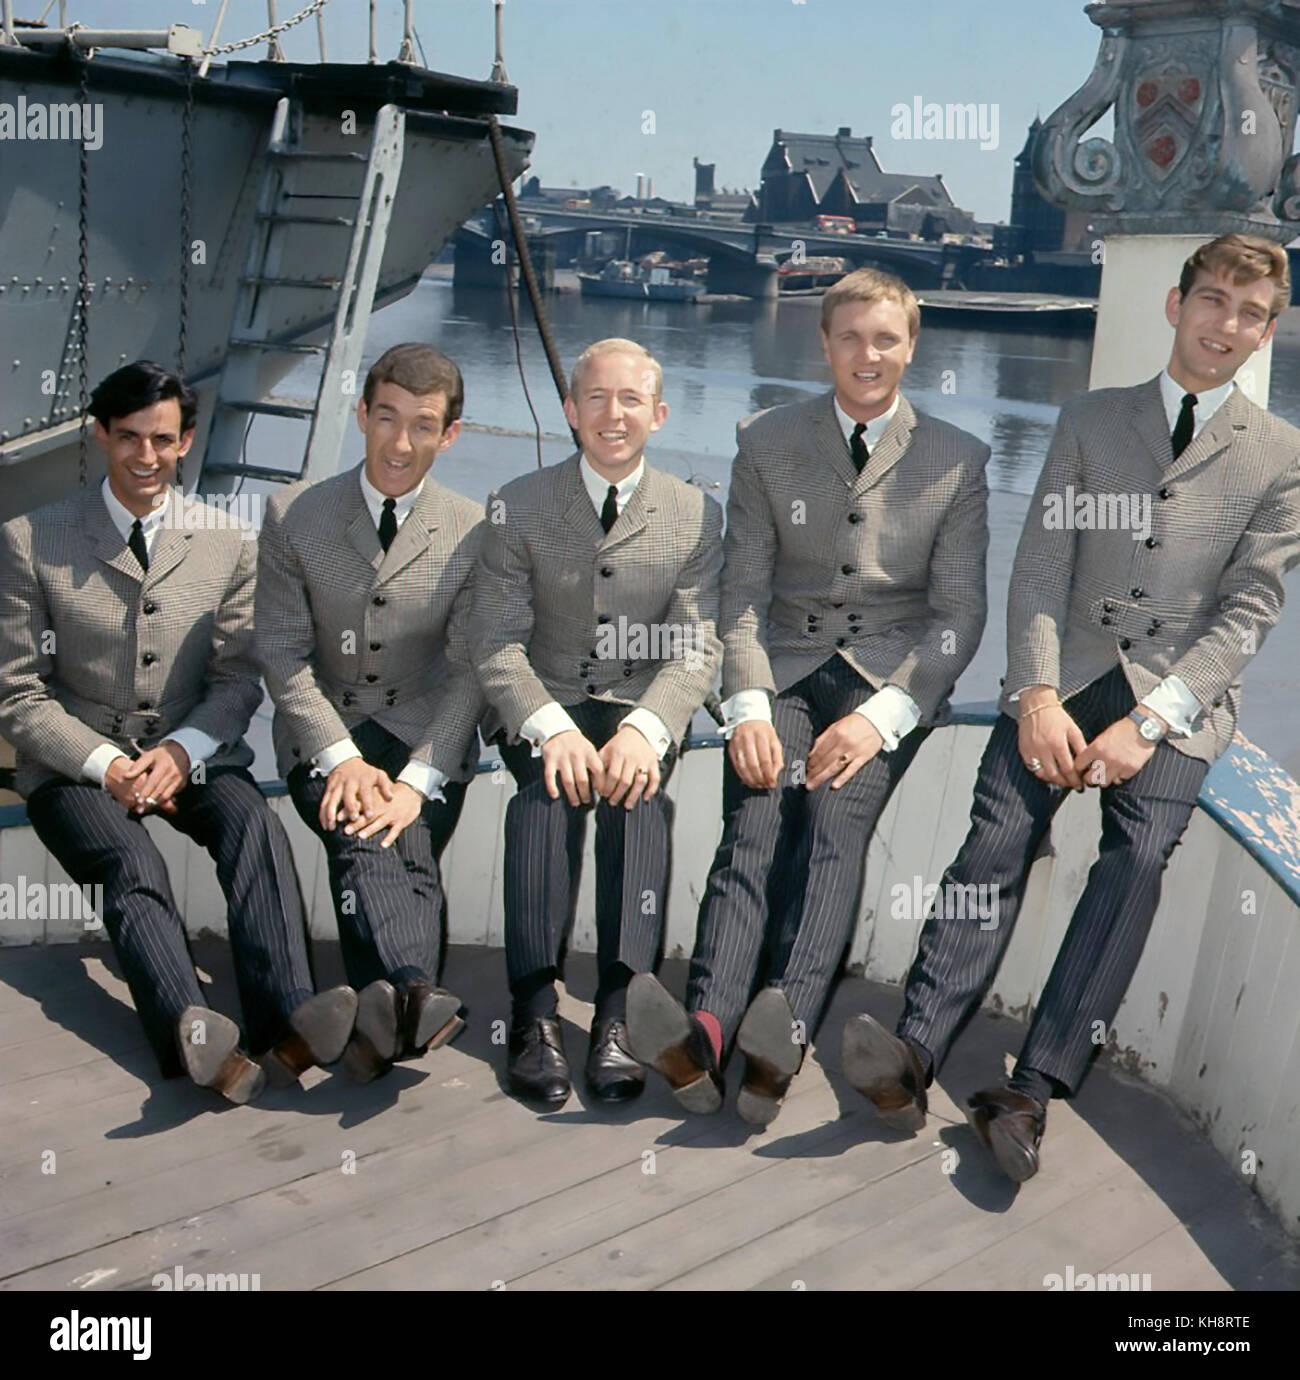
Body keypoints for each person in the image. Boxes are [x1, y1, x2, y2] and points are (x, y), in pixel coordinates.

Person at [841, 233, 1300, 1182]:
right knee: (996, 836)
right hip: (1070, 666)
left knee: (1136, 858)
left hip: (1176, 695)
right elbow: (1042, 566)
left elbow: (1250, 608)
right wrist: (1037, 694)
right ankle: (916, 1048)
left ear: (1270, 328)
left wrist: (1151, 722)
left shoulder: (1283, 458)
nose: (1227, 324)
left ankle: (1033, 1090)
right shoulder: (1091, 419)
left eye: (1250, 312)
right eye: (1212, 300)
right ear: (1176, 306)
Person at [627, 268, 991, 1127]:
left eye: (886, 339)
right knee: (753, 820)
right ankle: (712, 1029)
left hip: (886, 678)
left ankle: (778, 1037)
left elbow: (959, 615)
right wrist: (746, 706)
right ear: (824, 344)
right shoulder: (766, 440)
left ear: (911, 346)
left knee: (833, 826)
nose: (868, 355)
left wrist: (881, 717)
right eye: (851, 338)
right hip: (784, 663)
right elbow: (742, 595)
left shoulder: (958, 459)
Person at [0, 361, 355, 1103]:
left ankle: (285, 1021)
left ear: (187, 440)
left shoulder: (229, 541)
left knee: (253, 827)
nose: (146, 459)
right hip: (74, 765)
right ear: (101, 435)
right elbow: (18, 695)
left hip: (191, 751)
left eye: (162, 440)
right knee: (132, 866)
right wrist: (106, 765)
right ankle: (191, 1039)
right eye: (128, 438)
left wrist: (180, 751)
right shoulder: (32, 540)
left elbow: (236, 679)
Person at [471, 337, 723, 1108]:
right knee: (544, 801)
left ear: (658, 413)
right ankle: (535, 1012)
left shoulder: (695, 513)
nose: (613, 416)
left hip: (636, 706)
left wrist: (647, 730)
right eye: (597, 399)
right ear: (572, 409)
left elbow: (695, 645)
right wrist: (550, 728)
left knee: (638, 800)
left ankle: (620, 1011)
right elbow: (494, 641)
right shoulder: (518, 503)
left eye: (630, 400)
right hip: (543, 699)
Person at [257, 344, 484, 1081]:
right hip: (325, 735)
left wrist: (416, 778)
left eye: (423, 425)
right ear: (362, 414)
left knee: (388, 828)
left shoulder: (477, 531)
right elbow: (283, 657)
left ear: (450, 435)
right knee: (368, 826)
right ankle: (414, 990)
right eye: (385, 418)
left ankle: (384, 1011)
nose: (400, 443)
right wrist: (344, 759)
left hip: (429, 740)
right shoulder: (295, 515)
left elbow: (472, 672)